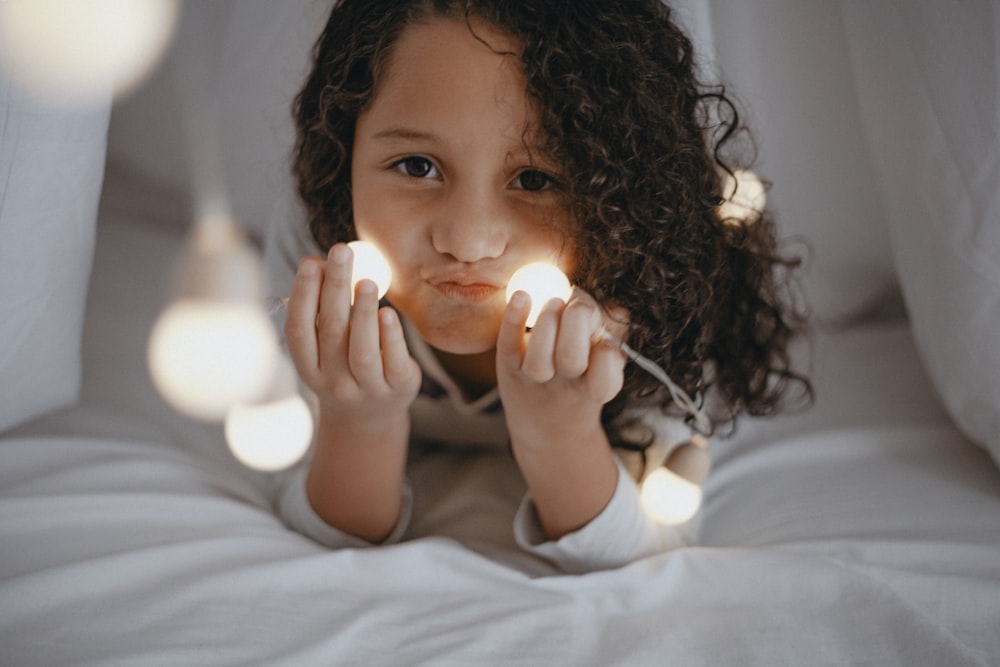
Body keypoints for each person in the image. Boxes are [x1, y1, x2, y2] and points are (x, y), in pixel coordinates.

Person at [270, 0, 808, 574]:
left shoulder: (643, 304)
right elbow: (328, 533)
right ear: (344, 151)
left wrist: (559, 431)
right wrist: (359, 421)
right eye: (417, 166)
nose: (467, 241)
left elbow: (643, 547)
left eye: (535, 179)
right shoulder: (327, 260)